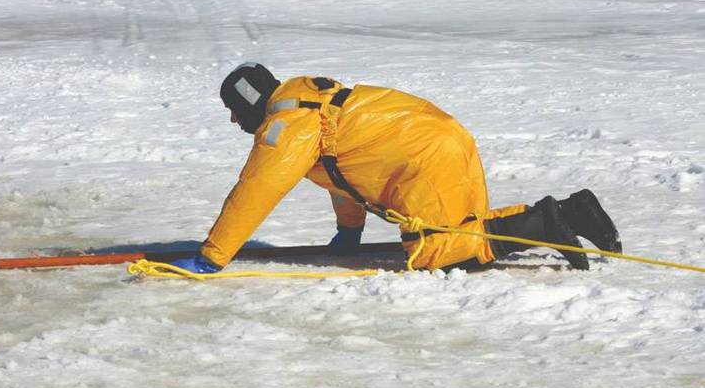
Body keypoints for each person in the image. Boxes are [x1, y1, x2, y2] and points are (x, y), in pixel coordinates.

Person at [173, 63, 621, 274]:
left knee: (439, 252)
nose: (234, 121)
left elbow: (255, 190)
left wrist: (214, 254)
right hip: (442, 138)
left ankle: (546, 222)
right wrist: (350, 233)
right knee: (462, 230)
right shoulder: (309, 104)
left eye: (234, 110)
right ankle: (575, 211)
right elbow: (340, 169)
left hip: (423, 157)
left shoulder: (285, 127)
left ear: (250, 103)